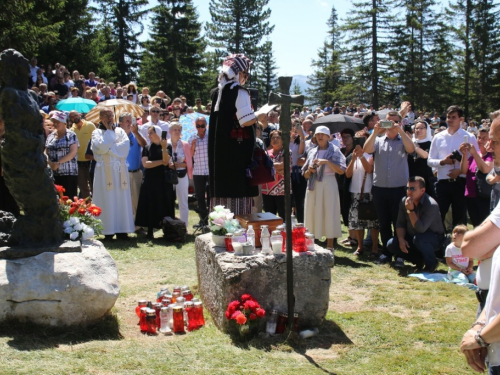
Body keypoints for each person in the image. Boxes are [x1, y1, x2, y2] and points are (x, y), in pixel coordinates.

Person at [208, 54, 258, 215]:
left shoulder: (217, 92)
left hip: (219, 156)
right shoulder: (239, 91)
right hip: (236, 154)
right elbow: (246, 120)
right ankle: (239, 229)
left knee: (222, 191)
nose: (246, 78)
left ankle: (221, 226)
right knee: (238, 190)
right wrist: (260, 116)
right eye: (245, 74)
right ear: (239, 73)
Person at [363, 111, 416, 265]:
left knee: (399, 223)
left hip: (399, 188)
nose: (390, 124)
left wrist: (400, 130)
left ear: (400, 123)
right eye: (388, 121)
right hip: (380, 188)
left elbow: (411, 149)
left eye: (394, 121)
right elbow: (367, 149)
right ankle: (387, 252)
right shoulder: (378, 140)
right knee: (384, 222)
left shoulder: (403, 140)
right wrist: (375, 132)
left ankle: (400, 254)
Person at [428, 105, 479, 227]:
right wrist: (442, 162)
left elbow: (475, 162)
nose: (450, 120)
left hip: (461, 182)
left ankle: (458, 245)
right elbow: (429, 161)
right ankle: (439, 244)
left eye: (453, 117)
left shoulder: (469, 137)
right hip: (442, 183)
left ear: (461, 119)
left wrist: (460, 171)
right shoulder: (438, 137)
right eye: (448, 117)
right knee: (438, 217)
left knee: (459, 219)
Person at [91, 108, 135, 240]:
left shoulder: (120, 131)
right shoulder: (96, 132)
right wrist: (110, 138)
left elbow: (124, 148)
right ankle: (108, 231)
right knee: (107, 199)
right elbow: (99, 147)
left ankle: (122, 230)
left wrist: (109, 149)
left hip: (119, 171)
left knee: (121, 198)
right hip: (104, 171)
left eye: (111, 116)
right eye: (106, 116)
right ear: (100, 118)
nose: (109, 119)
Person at [302, 125, 346, 250]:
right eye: (318, 134)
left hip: (329, 183)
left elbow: (341, 170)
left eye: (322, 134)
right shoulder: (312, 151)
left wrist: (326, 162)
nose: (320, 136)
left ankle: (330, 245)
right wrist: (310, 171)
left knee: (329, 211)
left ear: (328, 137)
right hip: (313, 184)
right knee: (312, 211)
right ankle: (312, 243)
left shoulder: (335, 150)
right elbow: (304, 173)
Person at [387, 176, 444, 271]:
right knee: (392, 244)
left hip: (433, 238)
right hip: (414, 237)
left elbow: (420, 228)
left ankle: (431, 264)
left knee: (420, 239)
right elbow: (400, 223)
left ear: (422, 190)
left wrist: (411, 210)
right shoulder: (403, 201)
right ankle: (418, 260)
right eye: (407, 188)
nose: (409, 191)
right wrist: (401, 239)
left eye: (412, 188)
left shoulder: (431, 205)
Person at [135, 126, 173, 239]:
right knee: (150, 204)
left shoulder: (167, 146)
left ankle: (168, 229)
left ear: (158, 133)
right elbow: (146, 164)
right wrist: (161, 161)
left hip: (163, 180)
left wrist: (164, 148)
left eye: (151, 133)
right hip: (150, 179)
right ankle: (150, 230)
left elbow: (167, 161)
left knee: (164, 203)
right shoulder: (147, 147)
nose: (149, 135)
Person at [345, 142, 380, 257]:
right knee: (357, 222)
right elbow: (348, 174)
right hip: (355, 192)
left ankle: (375, 246)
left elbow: (369, 169)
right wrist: (354, 158)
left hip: (369, 191)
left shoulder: (371, 156)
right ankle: (360, 246)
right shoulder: (353, 156)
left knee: (372, 222)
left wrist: (361, 156)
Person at [459, 128, 494, 227]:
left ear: (490, 140)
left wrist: (474, 153)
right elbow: (464, 171)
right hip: (470, 195)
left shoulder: (491, 156)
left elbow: (485, 169)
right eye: (479, 137)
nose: (480, 141)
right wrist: (464, 154)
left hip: (483, 198)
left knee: (483, 227)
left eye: (484, 138)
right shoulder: (474, 155)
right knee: (475, 225)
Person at [118, 112, 147, 230]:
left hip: (135, 172)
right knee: (122, 200)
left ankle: (138, 226)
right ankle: (123, 225)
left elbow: (144, 144)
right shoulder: (116, 136)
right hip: (120, 173)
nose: (130, 123)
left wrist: (135, 132)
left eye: (131, 121)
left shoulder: (136, 135)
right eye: (127, 121)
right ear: (120, 123)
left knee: (136, 200)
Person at [45, 111, 79, 198]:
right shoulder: (51, 136)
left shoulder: (71, 135)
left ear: (64, 123)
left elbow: (72, 153)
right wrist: (50, 163)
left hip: (68, 174)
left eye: (57, 122)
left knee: (69, 199)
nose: (55, 124)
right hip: (54, 173)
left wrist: (58, 163)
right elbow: (46, 151)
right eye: (54, 121)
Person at [167, 121, 193, 226]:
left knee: (183, 202)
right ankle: (168, 225)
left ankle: (184, 226)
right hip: (168, 176)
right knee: (168, 202)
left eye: (179, 130)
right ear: (170, 131)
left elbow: (189, 163)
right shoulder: (165, 144)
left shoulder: (185, 144)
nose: (177, 132)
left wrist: (179, 165)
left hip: (181, 175)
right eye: (175, 129)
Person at [261, 130, 289, 218]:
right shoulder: (266, 153)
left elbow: (284, 165)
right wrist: (278, 168)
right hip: (267, 191)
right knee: (269, 218)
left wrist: (269, 168)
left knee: (283, 217)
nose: (275, 139)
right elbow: (262, 168)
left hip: (283, 191)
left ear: (282, 140)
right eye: (273, 138)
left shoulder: (287, 152)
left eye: (278, 137)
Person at [189, 116, 210, 228]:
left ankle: (212, 221)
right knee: (200, 197)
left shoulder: (211, 136)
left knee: (211, 197)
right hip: (198, 171)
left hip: (210, 171)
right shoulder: (192, 137)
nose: (200, 128)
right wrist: (192, 146)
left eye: (202, 125)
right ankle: (203, 220)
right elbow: (189, 156)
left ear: (206, 125)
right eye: (198, 126)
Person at [69, 110, 95, 198]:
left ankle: (97, 205)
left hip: (91, 160)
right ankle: (87, 207)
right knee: (83, 186)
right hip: (78, 162)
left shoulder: (90, 125)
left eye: (75, 115)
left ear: (80, 114)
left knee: (93, 185)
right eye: (72, 117)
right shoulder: (71, 131)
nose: (74, 117)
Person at [408, 120, 436, 197]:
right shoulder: (410, 143)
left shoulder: (431, 143)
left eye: (422, 128)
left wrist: (413, 144)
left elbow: (425, 155)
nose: (419, 130)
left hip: (426, 179)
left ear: (427, 130)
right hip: (412, 177)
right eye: (417, 128)